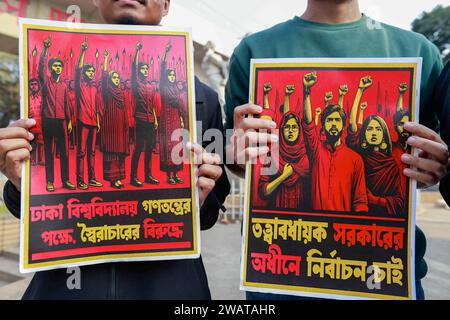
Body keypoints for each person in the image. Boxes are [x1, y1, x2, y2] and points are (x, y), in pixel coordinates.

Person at [0, 0, 230, 300]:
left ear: (166, 4)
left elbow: (213, 207)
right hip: (66, 285)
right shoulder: (63, 85)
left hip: (171, 286)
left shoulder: (206, 99)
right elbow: (26, 210)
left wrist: (198, 199)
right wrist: (23, 183)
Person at [225, 0, 448, 300]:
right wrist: (238, 156)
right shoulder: (254, 52)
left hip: (386, 276)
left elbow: (430, 154)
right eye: (326, 121)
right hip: (281, 276)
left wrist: (435, 168)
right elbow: (240, 156)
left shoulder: (419, 52)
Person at [302, 72, 368, 212]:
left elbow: (360, 202)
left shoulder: (356, 159)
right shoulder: (316, 150)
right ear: (323, 124)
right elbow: (308, 124)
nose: (333, 124)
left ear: (343, 125)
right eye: (329, 120)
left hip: (343, 230)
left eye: (337, 120)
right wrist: (306, 91)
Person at [347, 78, 404, 215]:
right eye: (370, 129)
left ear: (384, 135)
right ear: (364, 134)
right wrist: (360, 91)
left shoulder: (392, 165)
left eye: (378, 129)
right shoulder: (359, 156)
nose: (373, 132)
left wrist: (375, 200)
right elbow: (352, 125)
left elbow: (400, 201)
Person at [38, 36, 75, 192]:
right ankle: (50, 182)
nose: (58, 68)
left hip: (61, 121)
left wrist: (70, 121)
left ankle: (66, 180)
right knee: (49, 153)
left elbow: (67, 104)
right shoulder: (46, 81)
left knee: (64, 153)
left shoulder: (64, 86)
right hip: (48, 121)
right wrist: (45, 50)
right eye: (55, 66)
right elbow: (40, 68)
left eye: (60, 66)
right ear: (51, 68)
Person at [99, 49, 130, 189]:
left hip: (121, 127)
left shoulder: (121, 92)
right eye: (114, 78)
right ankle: (113, 180)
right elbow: (104, 76)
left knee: (120, 154)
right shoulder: (107, 89)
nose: (116, 80)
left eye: (118, 78)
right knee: (112, 154)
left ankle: (119, 178)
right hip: (110, 127)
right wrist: (105, 59)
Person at [75, 37, 103, 190]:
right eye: (89, 71)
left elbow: (97, 107)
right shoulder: (81, 84)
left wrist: (98, 121)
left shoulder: (94, 88)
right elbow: (77, 70)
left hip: (93, 122)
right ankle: (80, 180)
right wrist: (83, 52)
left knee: (92, 152)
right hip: (83, 121)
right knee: (81, 152)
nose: (91, 73)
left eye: (92, 71)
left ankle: (92, 178)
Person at [130, 41, 159, 187]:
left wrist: (155, 119)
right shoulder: (137, 83)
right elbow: (133, 69)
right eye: (143, 69)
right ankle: (133, 177)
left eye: (147, 69)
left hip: (150, 120)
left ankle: (148, 175)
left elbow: (153, 104)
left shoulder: (150, 85)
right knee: (139, 148)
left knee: (149, 149)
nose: (145, 71)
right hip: (140, 119)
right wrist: (137, 51)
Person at [159, 42, 185, 185]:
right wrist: (166, 53)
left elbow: (180, 104)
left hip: (175, 119)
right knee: (167, 147)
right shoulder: (164, 85)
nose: (172, 77)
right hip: (165, 120)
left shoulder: (176, 89)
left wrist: (181, 119)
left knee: (176, 147)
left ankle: (175, 174)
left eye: (173, 75)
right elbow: (162, 69)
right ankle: (169, 175)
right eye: (170, 75)